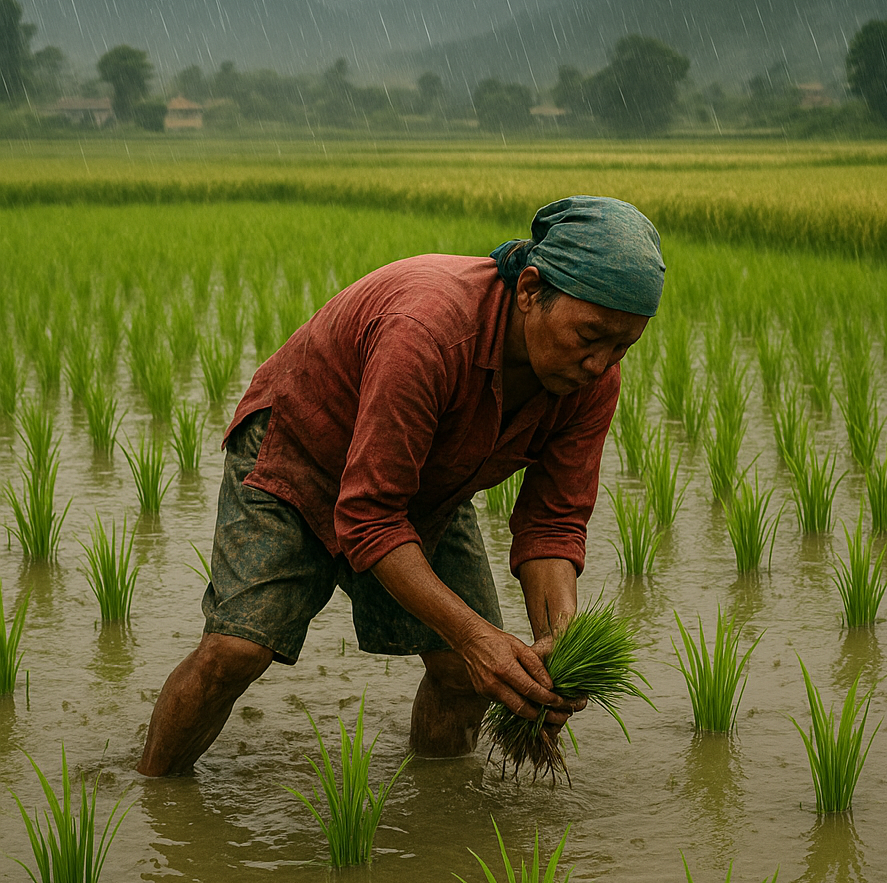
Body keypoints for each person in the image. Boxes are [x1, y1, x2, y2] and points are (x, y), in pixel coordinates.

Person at [137, 196, 664, 776]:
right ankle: (154, 795)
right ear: (531, 290)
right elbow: (369, 516)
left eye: (622, 346)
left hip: (420, 482)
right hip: (301, 453)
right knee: (237, 650)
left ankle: (438, 814)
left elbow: (552, 523)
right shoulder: (428, 331)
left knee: (467, 675)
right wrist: (473, 636)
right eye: (590, 335)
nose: (600, 363)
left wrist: (558, 642)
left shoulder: (590, 383)